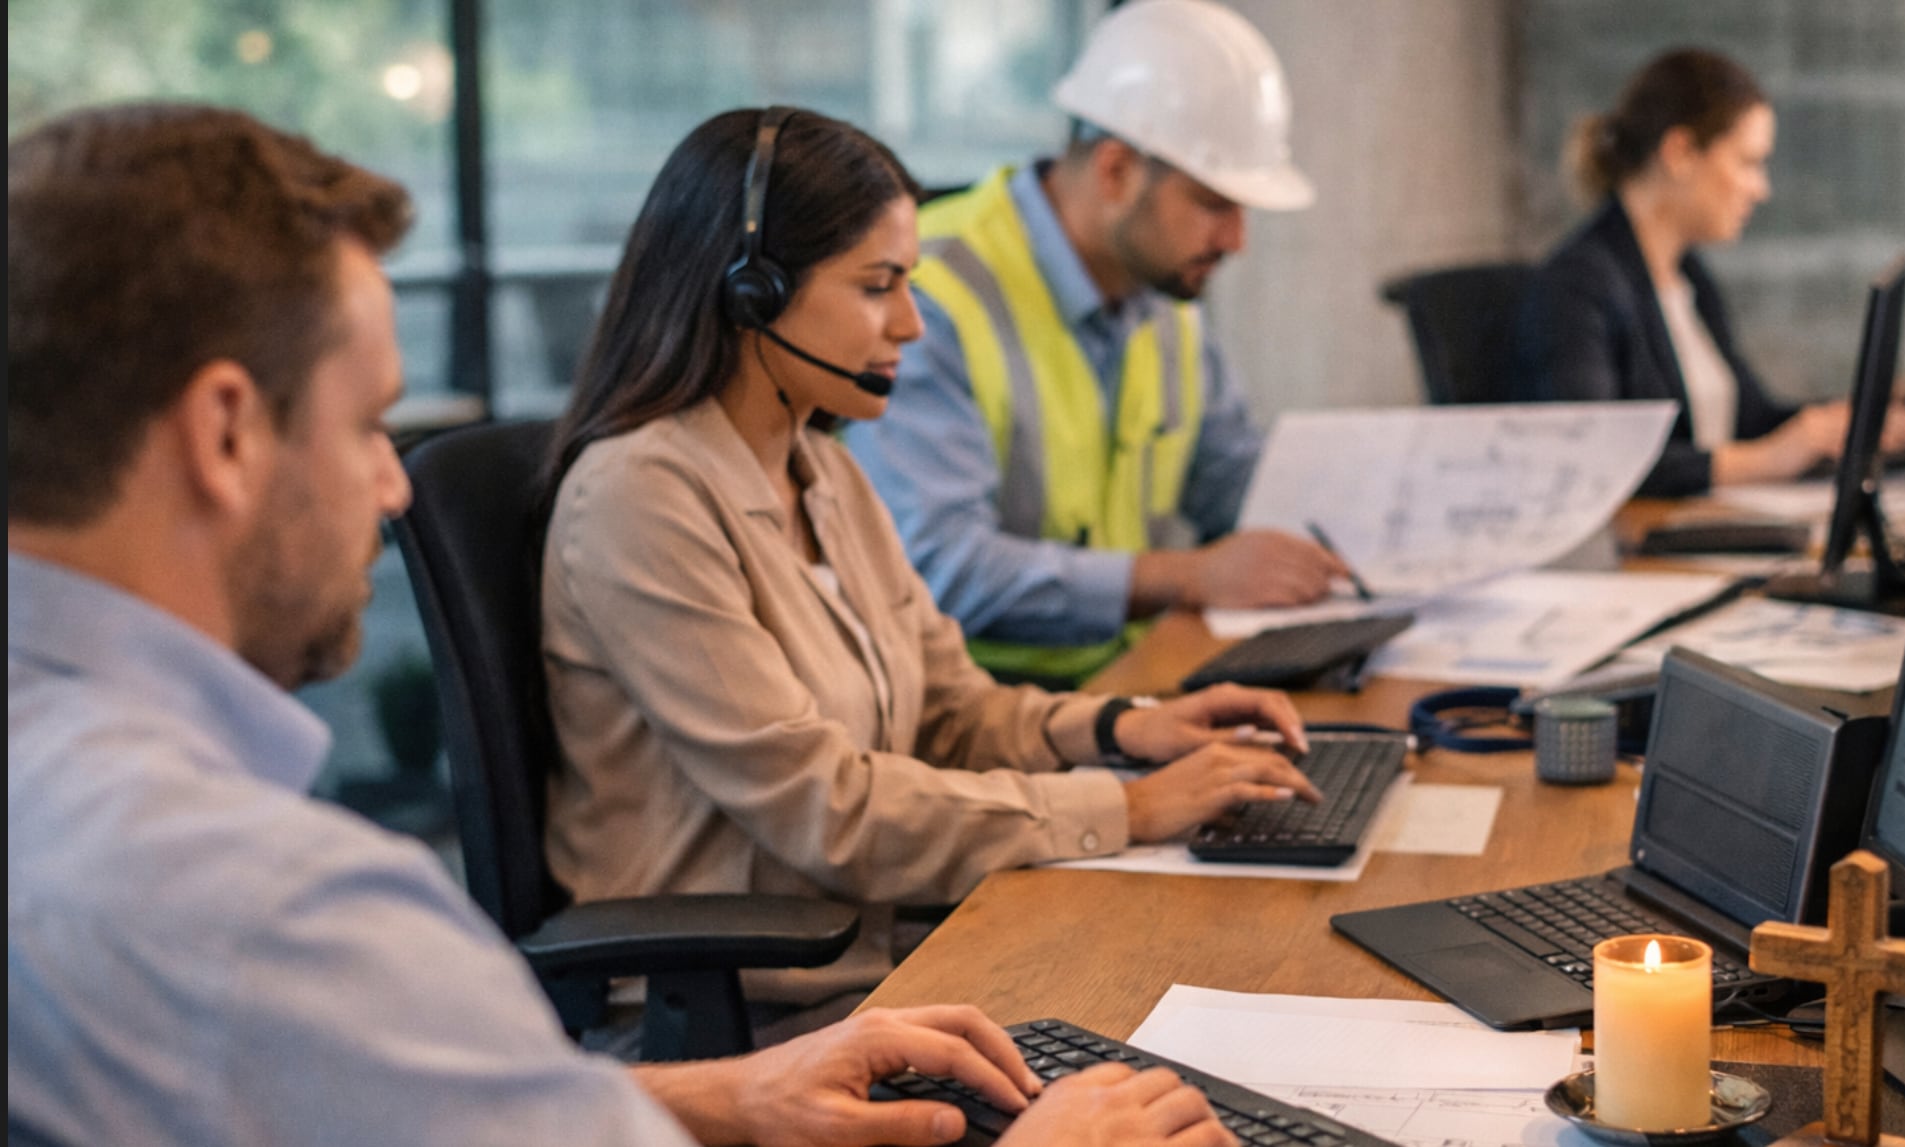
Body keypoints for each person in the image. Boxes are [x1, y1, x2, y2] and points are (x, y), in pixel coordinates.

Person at [6, 103, 1236, 1147]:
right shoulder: (274, 910)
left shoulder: (77, 811)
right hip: (787, 971)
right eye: (369, 423)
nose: (394, 487)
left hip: (815, 1012)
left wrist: (729, 1098)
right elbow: (821, 802)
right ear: (225, 435)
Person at [541, 105, 1322, 1019]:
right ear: (751, 291)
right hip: (749, 1019)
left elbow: (950, 710)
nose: (911, 325)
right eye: (878, 287)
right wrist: (1131, 808)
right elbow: (825, 807)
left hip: (876, 961)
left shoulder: (823, 469)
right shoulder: (644, 497)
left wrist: (1125, 726)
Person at [839, 0, 1346, 685]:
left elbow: (1234, 480)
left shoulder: (1164, 295)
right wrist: (1187, 576)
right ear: (1115, 173)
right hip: (971, 712)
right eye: (1213, 203)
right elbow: (940, 568)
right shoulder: (932, 296)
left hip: (1125, 682)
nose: (1235, 241)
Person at [1508, 48, 1905, 497]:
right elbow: (1594, 461)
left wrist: (1890, 399)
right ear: (1680, 153)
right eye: (1748, 162)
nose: (1761, 188)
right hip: (1637, 551)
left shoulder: (1687, 273)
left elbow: (1750, 420)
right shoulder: (1578, 286)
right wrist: (1771, 459)